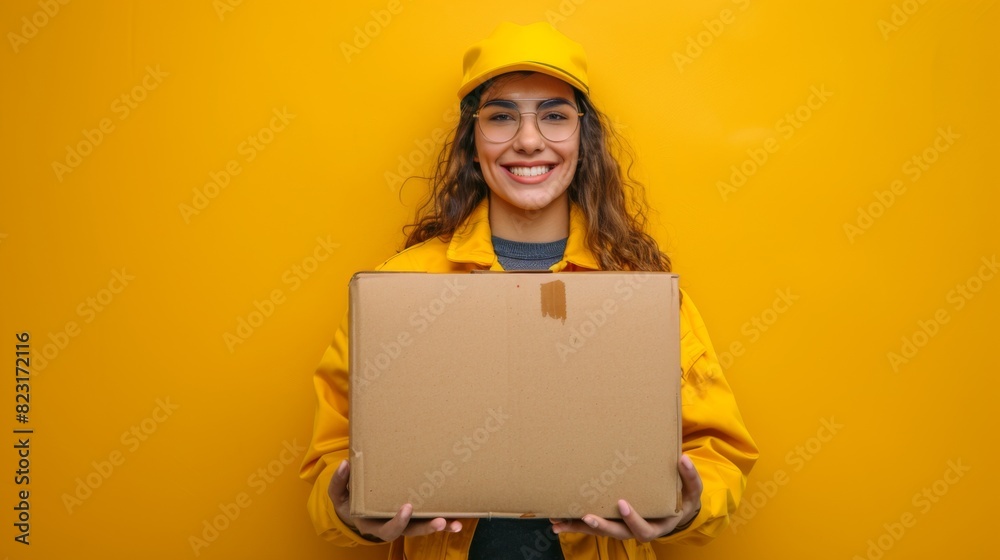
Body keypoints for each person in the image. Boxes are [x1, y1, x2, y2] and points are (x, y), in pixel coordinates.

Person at [300, 21, 758, 560]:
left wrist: (690, 507)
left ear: (584, 140)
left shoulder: (639, 294)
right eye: (501, 116)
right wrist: (349, 510)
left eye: (555, 115)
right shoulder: (401, 289)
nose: (528, 139)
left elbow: (718, 454)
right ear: (473, 143)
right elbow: (331, 460)